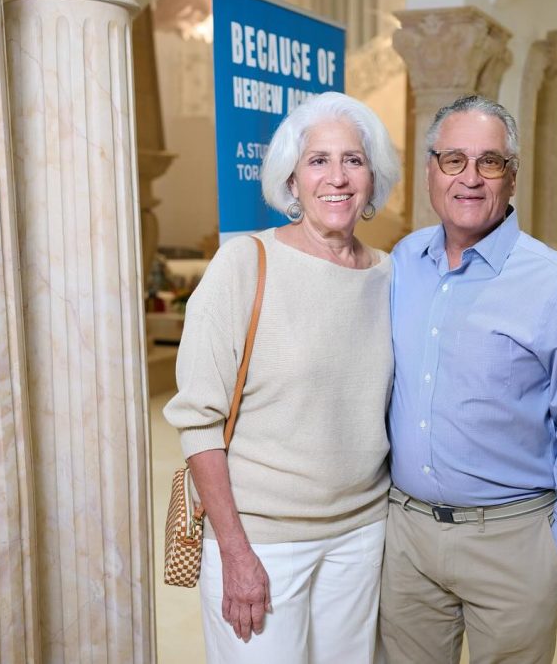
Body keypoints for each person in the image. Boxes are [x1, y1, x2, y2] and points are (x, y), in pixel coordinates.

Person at [379, 95, 557, 664]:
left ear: (511, 178)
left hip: (514, 544)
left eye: (489, 162)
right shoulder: (403, 261)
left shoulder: (556, 282)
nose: (470, 178)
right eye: (454, 159)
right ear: (431, 172)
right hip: (406, 541)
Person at [163, 92, 400, 663]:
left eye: (353, 159)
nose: (338, 177)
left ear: (372, 177)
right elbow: (199, 422)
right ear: (291, 181)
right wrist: (237, 554)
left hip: (362, 534)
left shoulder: (391, 275)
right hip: (262, 540)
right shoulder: (244, 264)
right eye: (318, 160)